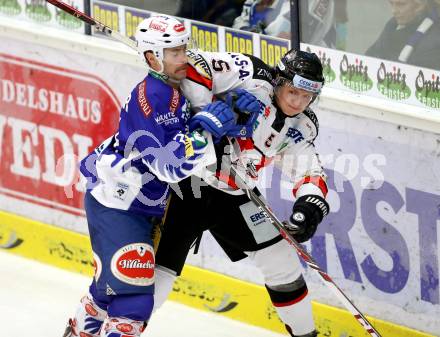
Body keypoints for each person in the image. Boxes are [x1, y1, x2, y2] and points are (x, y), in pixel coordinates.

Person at [62, 14, 249, 337]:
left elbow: (178, 136)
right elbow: (167, 164)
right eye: (174, 53)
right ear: (152, 57)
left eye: (184, 49)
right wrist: (207, 129)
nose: (183, 58)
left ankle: (78, 331)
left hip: (130, 200)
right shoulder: (154, 96)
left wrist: (218, 115)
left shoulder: (171, 90)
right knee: (133, 302)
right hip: (119, 202)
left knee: (109, 291)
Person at [153, 48, 329, 337]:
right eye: (292, 92)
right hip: (188, 186)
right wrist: (207, 113)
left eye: (306, 97)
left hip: (234, 196)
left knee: (282, 261)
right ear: (278, 81)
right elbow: (196, 64)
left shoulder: (303, 125)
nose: (297, 102)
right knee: (158, 280)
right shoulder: (249, 73)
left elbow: (310, 171)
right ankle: (111, 329)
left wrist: (309, 207)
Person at [366, 0, 440, 69]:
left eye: (401, 4)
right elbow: (371, 55)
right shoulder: (393, 24)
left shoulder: (435, 36)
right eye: (391, 3)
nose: (394, 11)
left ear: (419, 6)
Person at [232, 0, 336, 47]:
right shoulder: (255, 2)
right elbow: (238, 23)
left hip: (318, 66)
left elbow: (281, 38)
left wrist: (251, 35)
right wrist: (246, 31)